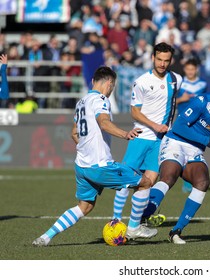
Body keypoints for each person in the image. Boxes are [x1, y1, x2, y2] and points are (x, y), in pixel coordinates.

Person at [32, 66, 157, 246]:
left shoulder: (82, 101)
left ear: (92, 81)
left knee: (85, 206)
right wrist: (125, 134)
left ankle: (45, 237)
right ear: (109, 83)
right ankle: (134, 228)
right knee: (145, 182)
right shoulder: (101, 100)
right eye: (112, 87)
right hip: (100, 166)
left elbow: (74, 133)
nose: (111, 90)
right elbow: (104, 123)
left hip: (82, 166)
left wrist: (85, 148)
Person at [142, 74, 210, 244]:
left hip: (194, 149)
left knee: (203, 182)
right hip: (175, 141)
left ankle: (176, 231)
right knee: (170, 175)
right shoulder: (203, 101)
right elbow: (179, 126)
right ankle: (142, 217)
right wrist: (207, 140)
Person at [111, 42, 182, 226]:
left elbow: (173, 103)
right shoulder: (142, 82)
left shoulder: (176, 80)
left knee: (148, 182)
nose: (162, 64)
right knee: (126, 180)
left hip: (160, 142)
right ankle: (116, 219)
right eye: (159, 59)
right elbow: (134, 112)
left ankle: (135, 224)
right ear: (152, 58)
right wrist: (155, 125)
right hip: (141, 137)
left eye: (166, 60)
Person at [176, 58, 207, 193]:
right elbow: (171, 102)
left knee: (194, 152)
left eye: (192, 69)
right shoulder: (179, 83)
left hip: (197, 123)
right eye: (188, 69)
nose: (190, 71)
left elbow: (205, 102)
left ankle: (193, 180)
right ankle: (187, 181)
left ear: (196, 70)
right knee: (182, 151)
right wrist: (182, 99)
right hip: (182, 122)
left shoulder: (202, 84)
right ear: (185, 70)